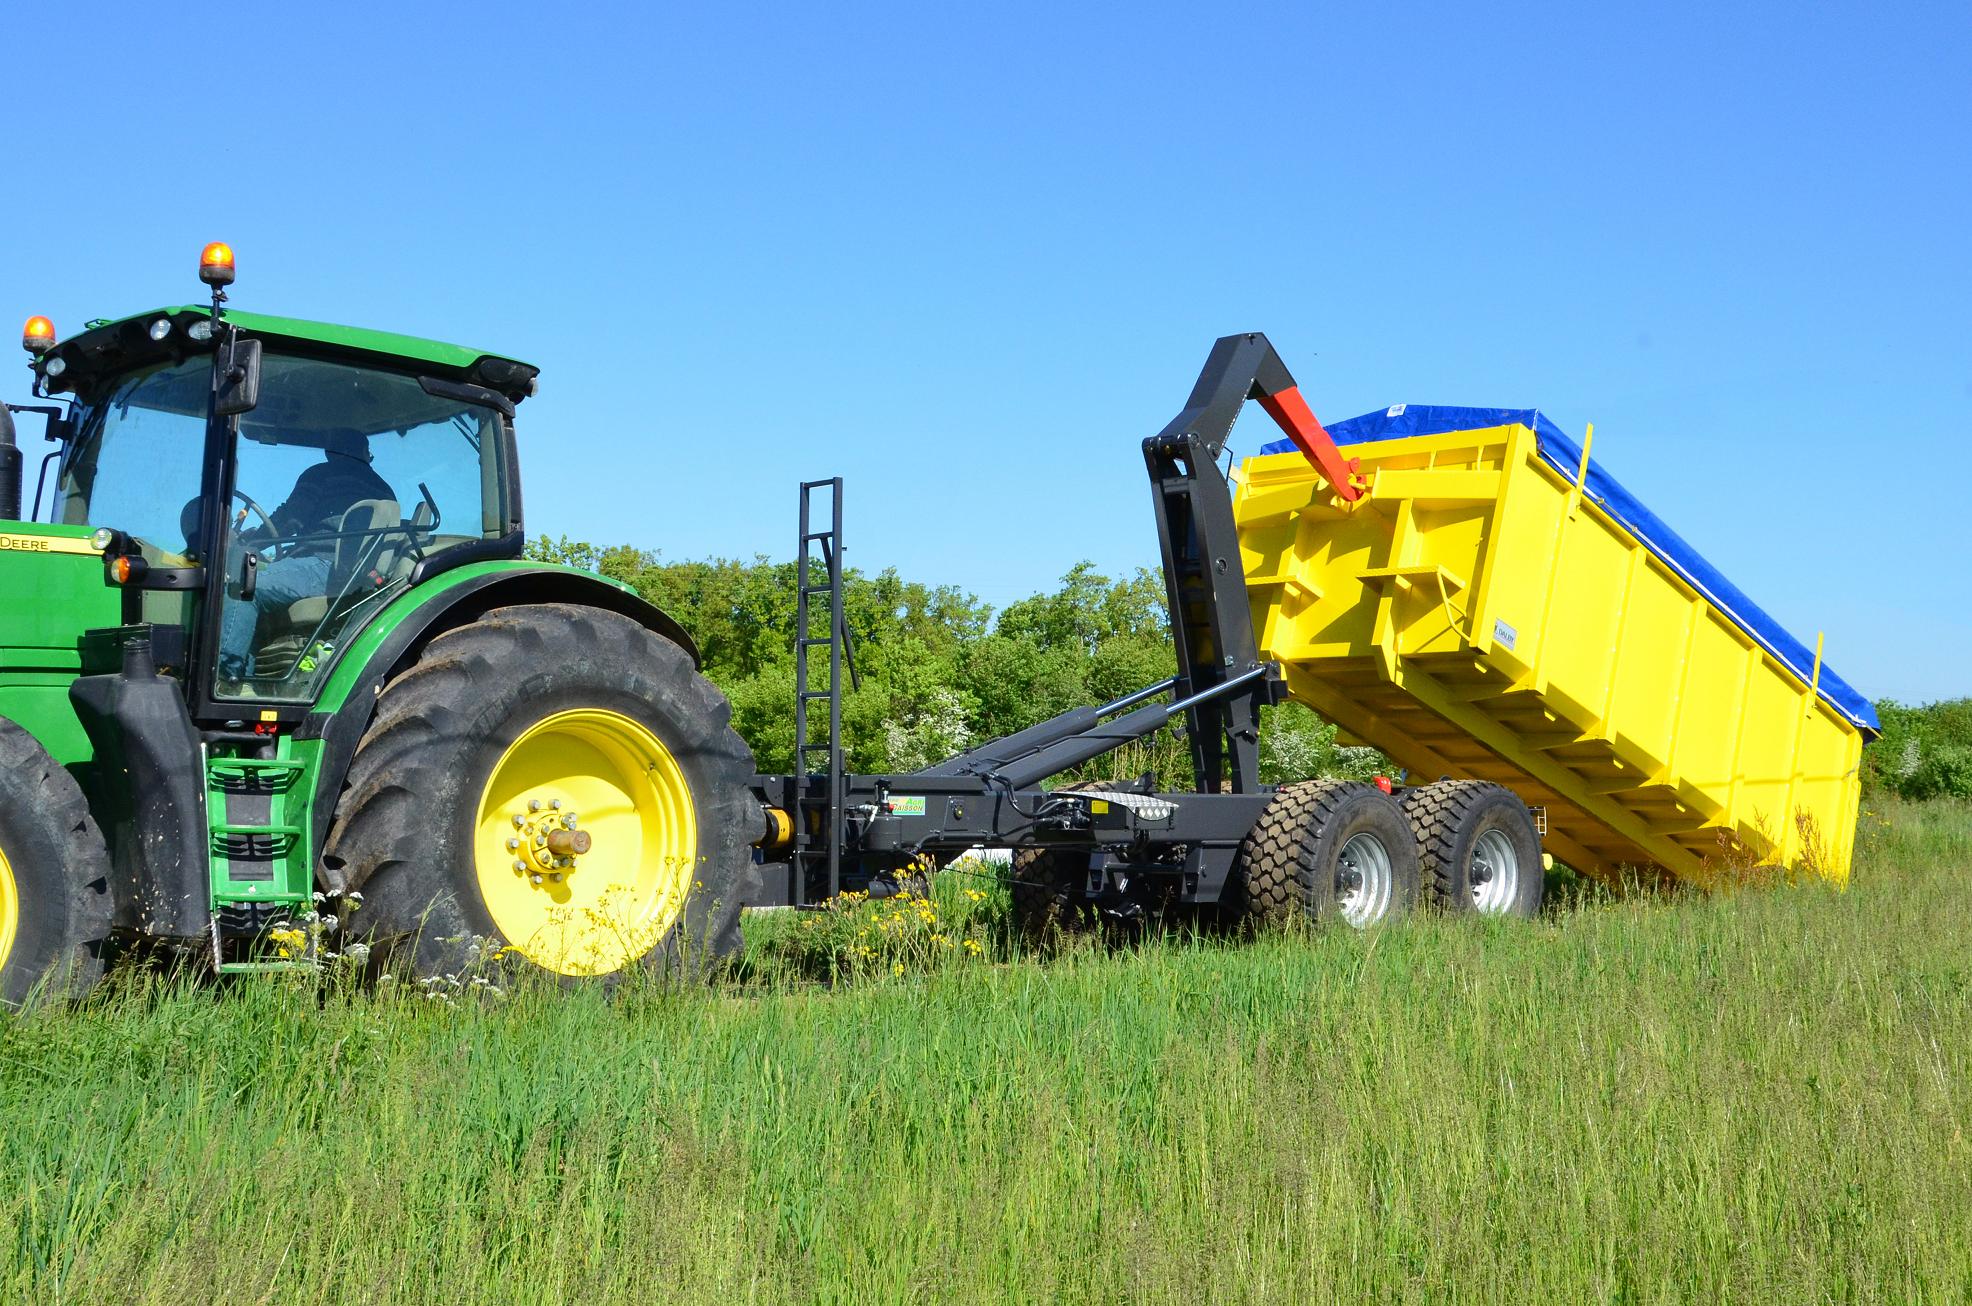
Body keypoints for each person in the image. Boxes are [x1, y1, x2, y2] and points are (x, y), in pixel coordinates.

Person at [218, 430, 394, 681]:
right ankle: (250, 681)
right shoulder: (383, 488)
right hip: (352, 571)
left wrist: (254, 538)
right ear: (366, 454)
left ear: (330, 452)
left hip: (323, 566)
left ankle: (226, 675)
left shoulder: (321, 474)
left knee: (243, 584)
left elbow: (292, 517)